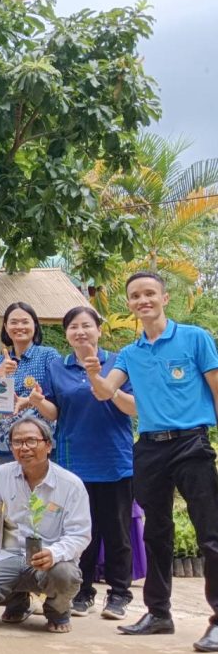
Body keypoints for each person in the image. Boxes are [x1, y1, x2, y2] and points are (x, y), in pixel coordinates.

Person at [84, 272, 218, 650]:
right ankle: (159, 613)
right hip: (150, 449)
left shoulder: (195, 338)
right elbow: (106, 392)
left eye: (149, 294)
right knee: (155, 532)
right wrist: (93, 370)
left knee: (211, 534)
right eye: (135, 296)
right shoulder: (130, 353)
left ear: (164, 297)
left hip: (192, 443)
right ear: (129, 304)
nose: (143, 300)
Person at [23, 305, 136, 619]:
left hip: (114, 460)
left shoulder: (118, 363)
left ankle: (119, 595)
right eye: (73, 327)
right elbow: (55, 412)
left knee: (116, 533)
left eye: (86, 325)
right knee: (77, 532)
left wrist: (100, 380)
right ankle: (82, 593)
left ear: (99, 329)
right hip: (73, 463)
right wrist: (38, 402)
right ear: (67, 334)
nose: (80, 332)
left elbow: (132, 408)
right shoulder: (58, 367)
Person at [0, 417, 90, 634]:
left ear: (48, 445)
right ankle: (18, 600)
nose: (24, 448)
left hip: (51, 558)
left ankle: (57, 609)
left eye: (31, 441)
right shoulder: (3, 474)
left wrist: (54, 553)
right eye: (17, 442)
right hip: (12, 553)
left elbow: (80, 535)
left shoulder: (70, 485)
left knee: (66, 576)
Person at [0, 302, 60, 463]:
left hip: (42, 440)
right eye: (13, 322)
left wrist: (27, 401)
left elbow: (57, 395)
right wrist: (0, 374)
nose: (19, 326)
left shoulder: (48, 355)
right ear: (5, 326)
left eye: (25, 321)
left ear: (35, 324)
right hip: (8, 443)